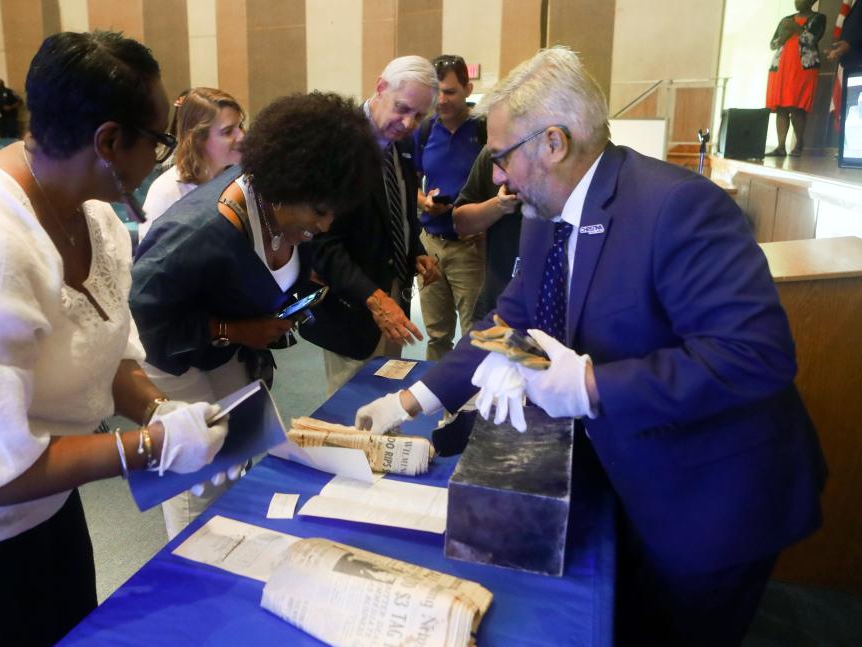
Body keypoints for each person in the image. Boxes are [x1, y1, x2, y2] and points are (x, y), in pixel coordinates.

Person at [354, 47, 826, 646]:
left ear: (552, 143)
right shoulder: (543, 210)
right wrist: (414, 399)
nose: (496, 177)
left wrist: (592, 385)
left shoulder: (676, 207)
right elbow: (511, 324)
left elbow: (753, 356)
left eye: (500, 158)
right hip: (624, 480)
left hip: (708, 497)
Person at [0, 31, 230, 645]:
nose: (163, 157)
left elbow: (94, 346)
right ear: (108, 141)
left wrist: (159, 408)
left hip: (50, 511)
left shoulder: (93, 210)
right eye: (159, 141)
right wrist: (148, 447)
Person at [130, 92, 380, 538]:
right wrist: (233, 328)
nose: (323, 226)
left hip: (223, 349)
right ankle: (191, 565)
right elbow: (144, 320)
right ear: (285, 185)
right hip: (168, 355)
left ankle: (226, 544)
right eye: (319, 213)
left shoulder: (286, 212)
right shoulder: (198, 233)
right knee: (198, 471)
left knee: (239, 450)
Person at [310, 55, 441, 395]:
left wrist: (416, 250)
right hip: (354, 304)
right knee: (350, 412)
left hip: (393, 293)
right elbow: (322, 242)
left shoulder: (401, 138)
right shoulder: (337, 144)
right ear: (380, 87)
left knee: (386, 396)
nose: (409, 122)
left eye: (419, 115)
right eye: (402, 108)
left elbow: (399, 205)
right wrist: (373, 299)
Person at [413, 54, 486, 360]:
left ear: (468, 89)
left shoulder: (483, 130)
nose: (441, 100)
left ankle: (474, 405)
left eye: (450, 92)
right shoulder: (425, 130)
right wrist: (425, 202)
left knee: (474, 335)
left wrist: (483, 224)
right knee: (437, 335)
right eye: (436, 92)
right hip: (431, 246)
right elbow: (410, 183)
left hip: (469, 248)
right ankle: (437, 402)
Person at [138, 87, 244, 242]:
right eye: (227, 131)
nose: (241, 136)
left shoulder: (242, 181)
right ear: (198, 139)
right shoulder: (166, 191)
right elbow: (150, 260)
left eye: (240, 126)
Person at [452, 145, 523, 321]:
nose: (497, 178)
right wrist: (499, 205)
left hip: (549, 306)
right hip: (496, 296)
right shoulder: (492, 151)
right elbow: (460, 222)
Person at [765, 0, 826, 157]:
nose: (797, 1)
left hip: (802, 68)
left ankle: (799, 143)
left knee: (796, 107)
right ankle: (780, 147)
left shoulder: (818, 18)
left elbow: (812, 40)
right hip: (781, 67)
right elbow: (773, 44)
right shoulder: (787, 19)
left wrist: (796, 29)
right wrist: (785, 35)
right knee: (781, 107)